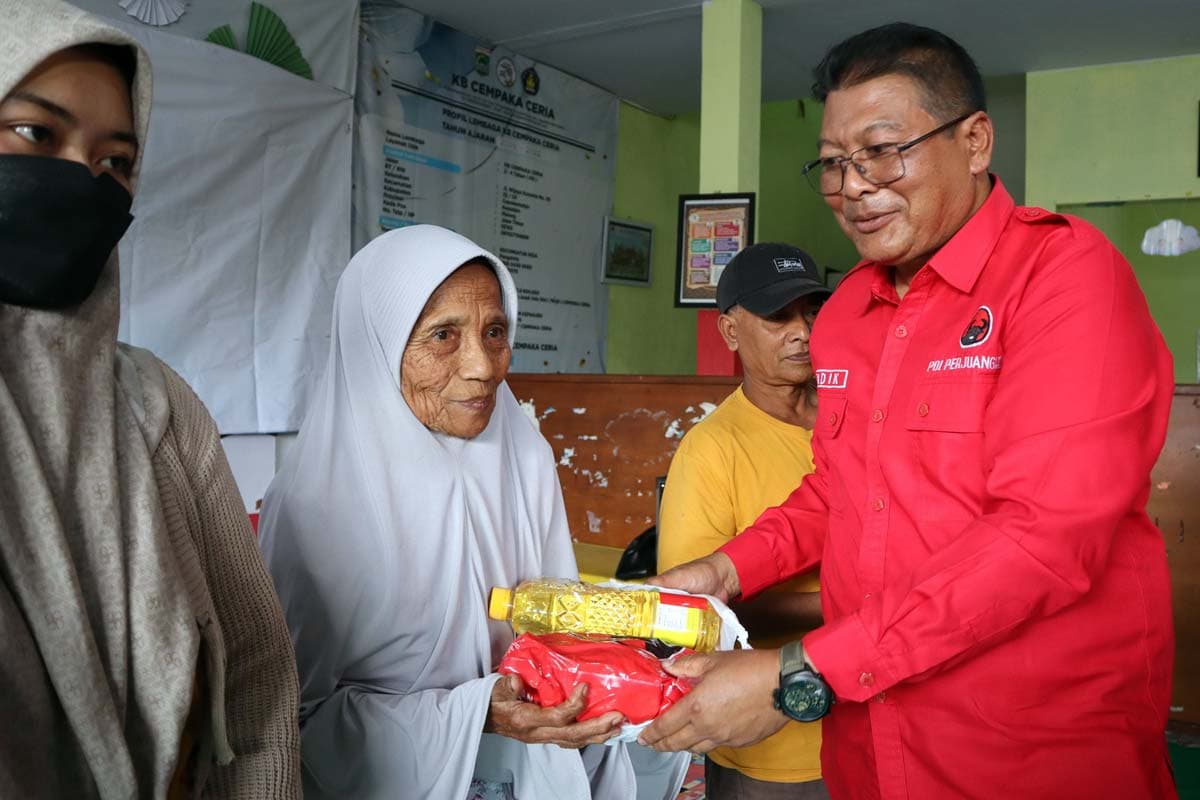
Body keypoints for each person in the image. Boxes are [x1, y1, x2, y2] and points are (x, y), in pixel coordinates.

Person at [640, 22, 1177, 800]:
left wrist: (801, 674)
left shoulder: (1065, 277)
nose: (854, 186)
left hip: (1027, 750)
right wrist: (725, 569)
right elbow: (841, 486)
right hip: (870, 739)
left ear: (976, 141)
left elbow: (1043, 538)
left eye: (883, 150)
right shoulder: (850, 307)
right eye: (833, 163)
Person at [0, 1, 301, 797]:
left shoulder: (155, 405)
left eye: (115, 163)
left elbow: (258, 671)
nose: (80, 180)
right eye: (35, 135)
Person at [257, 224, 660, 799]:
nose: (483, 367)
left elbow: (558, 621)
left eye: (494, 332)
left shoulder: (522, 453)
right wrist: (475, 714)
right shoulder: (317, 500)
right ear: (378, 344)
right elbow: (292, 720)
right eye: (443, 335)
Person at [657, 242, 831, 800]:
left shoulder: (851, 425)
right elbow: (700, 612)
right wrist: (853, 603)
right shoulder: (712, 450)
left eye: (810, 312)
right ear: (730, 331)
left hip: (872, 724)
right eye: (779, 317)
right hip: (774, 751)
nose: (801, 332)